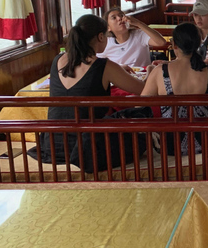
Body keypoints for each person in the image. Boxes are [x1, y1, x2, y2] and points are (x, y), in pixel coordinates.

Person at [32, 14, 146, 164]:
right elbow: (142, 89)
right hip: (88, 147)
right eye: (106, 35)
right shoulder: (103, 66)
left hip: (53, 146)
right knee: (141, 136)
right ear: (100, 37)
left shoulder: (58, 60)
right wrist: (151, 71)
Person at [142, 22, 208, 155]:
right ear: (198, 44)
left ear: (174, 45)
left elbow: (141, 104)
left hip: (171, 146)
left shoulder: (160, 71)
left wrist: (149, 73)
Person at [98, 7, 167, 68]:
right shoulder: (106, 43)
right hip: (120, 78)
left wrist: (138, 23)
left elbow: (161, 42)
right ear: (108, 28)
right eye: (114, 18)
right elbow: (98, 63)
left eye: (121, 15)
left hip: (143, 77)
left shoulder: (139, 34)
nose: (119, 18)